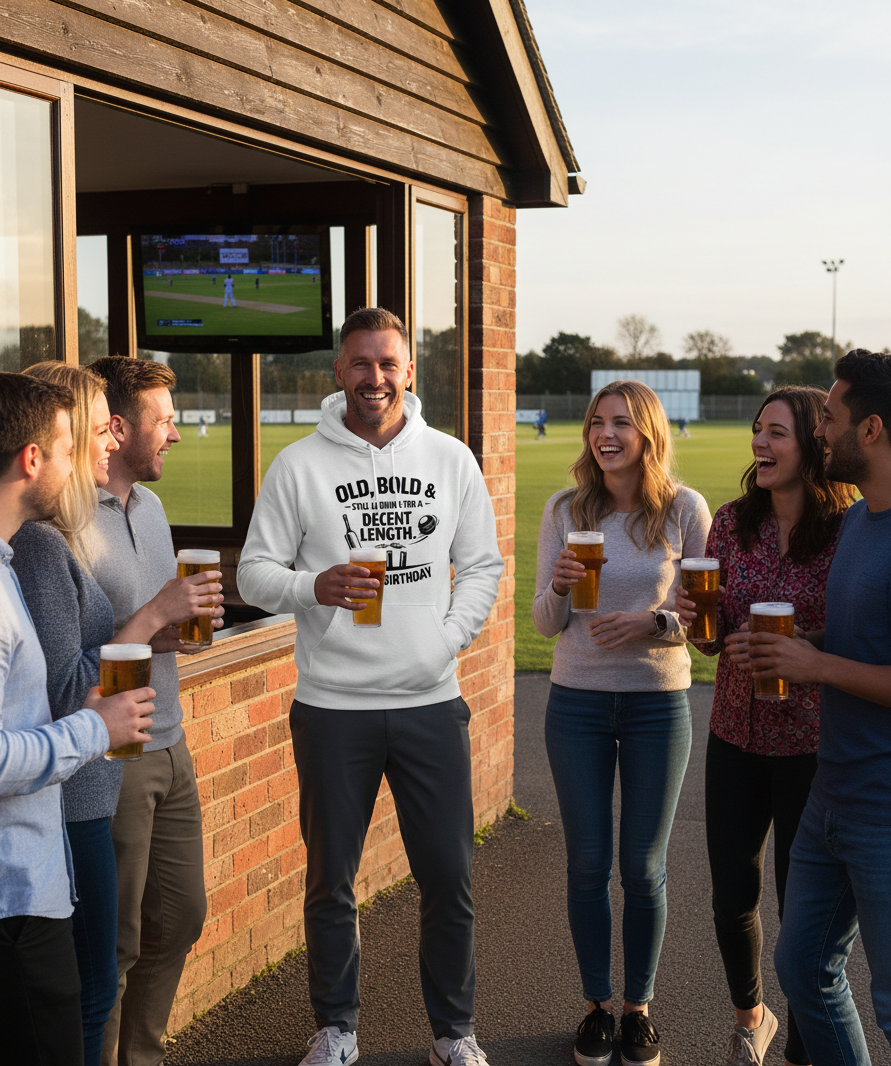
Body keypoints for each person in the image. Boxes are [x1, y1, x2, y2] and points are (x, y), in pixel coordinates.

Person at [237, 307, 503, 1066]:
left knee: (448, 879)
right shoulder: (298, 465)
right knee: (330, 883)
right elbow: (254, 574)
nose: (374, 378)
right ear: (337, 373)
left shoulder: (450, 459)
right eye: (360, 364)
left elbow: (481, 566)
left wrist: (443, 639)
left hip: (429, 701)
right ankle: (336, 1029)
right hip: (331, 707)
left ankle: (454, 1034)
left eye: (388, 364)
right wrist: (313, 586)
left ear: (409, 371)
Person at [10, 362, 223, 1066]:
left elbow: (92, 657)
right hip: (88, 783)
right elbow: (65, 692)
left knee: (160, 928)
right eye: (94, 432)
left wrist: (162, 629)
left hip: (143, 749)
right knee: (96, 977)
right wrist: (153, 615)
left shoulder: (142, 514)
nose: (103, 444)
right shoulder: (43, 546)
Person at [674, 386, 854, 1066]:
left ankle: (807, 1041)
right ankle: (751, 1014)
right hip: (734, 736)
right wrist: (700, 627)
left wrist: (801, 643)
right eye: (757, 430)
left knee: (800, 908)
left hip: (811, 745)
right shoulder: (729, 523)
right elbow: (711, 641)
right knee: (730, 895)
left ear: (812, 444)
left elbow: (860, 632)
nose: (759, 443)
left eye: (775, 433)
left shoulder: (850, 530)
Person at [533, 380, 711, 1066]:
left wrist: (651, 622)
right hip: (574, 701)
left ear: (647, 435)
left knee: (641, 868)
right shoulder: (564, 509)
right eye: (596, 422)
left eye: (621, 424)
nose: (605, 434)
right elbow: (547, 624)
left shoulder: (682, 511)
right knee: (585, 865)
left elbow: (703, 627)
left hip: (655, 703)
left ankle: (637, 1009)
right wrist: (555, 583)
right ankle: (595, 1009)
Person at [0, 371, 154, 1066]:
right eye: (73, 445)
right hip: (17, 894)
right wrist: (96, 727)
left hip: (36, 872)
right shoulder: (26, 557)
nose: (83, 463)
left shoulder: (11, 562)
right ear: (33, 460)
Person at [749, 351, 891, 1063]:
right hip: (829, 797)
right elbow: (862, 635)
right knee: (801, 969)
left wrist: (816, 664)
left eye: (828, 419)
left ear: (869, 430)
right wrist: (799, 645)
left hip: (882, 809)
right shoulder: (861, 521)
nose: (819, 433)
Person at [87, 355, 225, 1066]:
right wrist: (154, 614)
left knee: (180, 917)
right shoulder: (70, 521)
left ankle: (143, 1056)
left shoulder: (155, 507)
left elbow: (144, 632)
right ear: (117, 427)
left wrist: (176, 626)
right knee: (117, 940)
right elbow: (76, 667)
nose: (175, 434)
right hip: (116, 753)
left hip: (171, 740)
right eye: (164, 421)